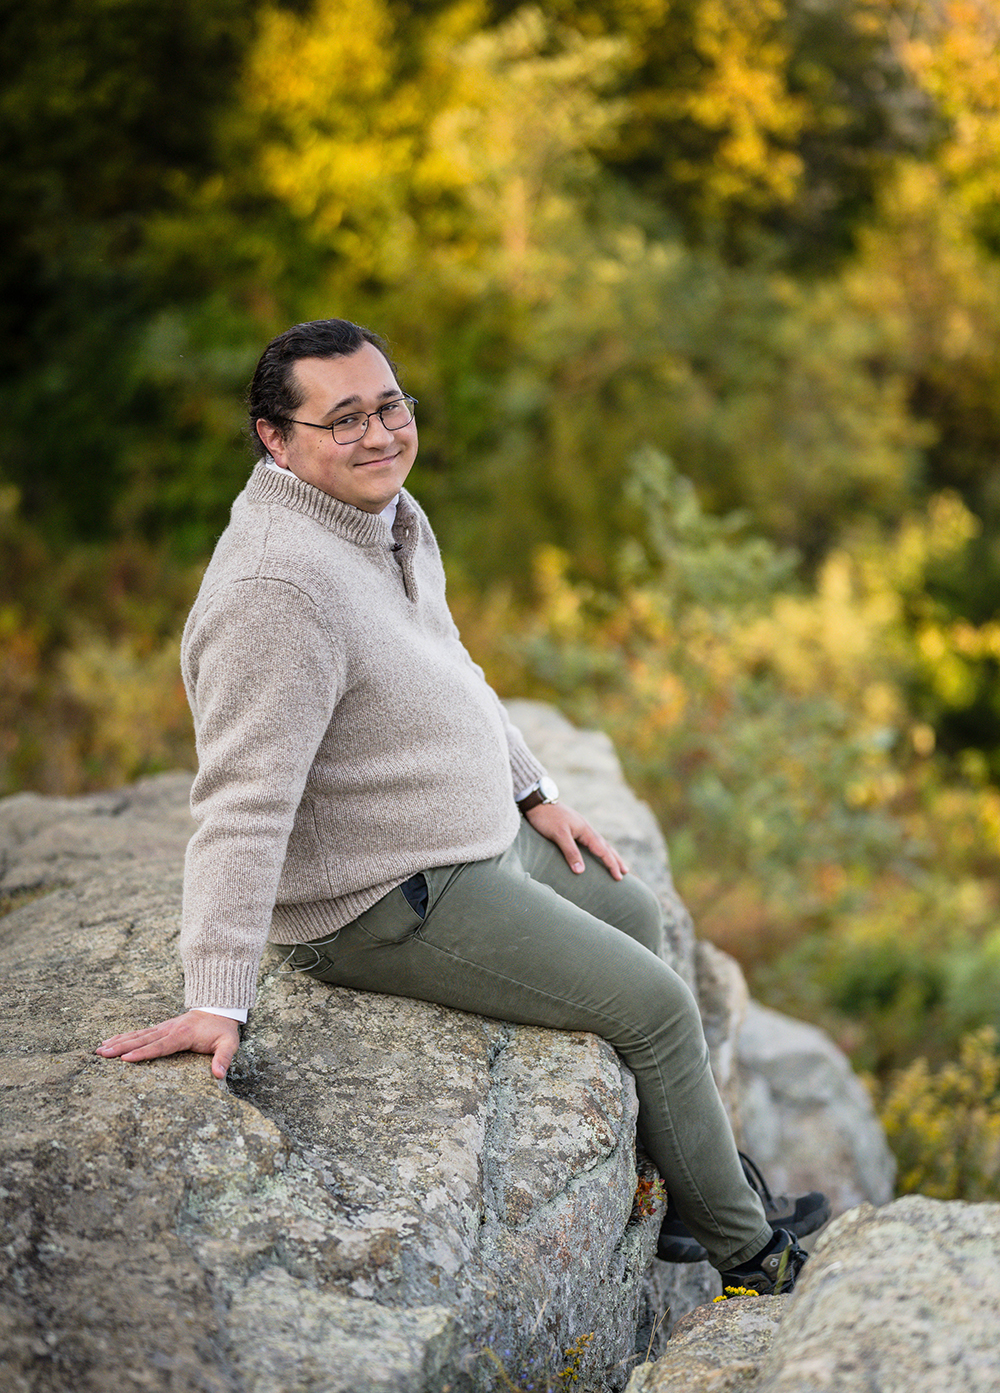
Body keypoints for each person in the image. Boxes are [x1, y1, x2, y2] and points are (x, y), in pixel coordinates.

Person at [97, 318, 824, 1295]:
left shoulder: (385, 512)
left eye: (389, 405)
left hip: (466, 834)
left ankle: (701, 1194)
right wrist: (216, 993)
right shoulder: (276, 584)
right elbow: (241, 796)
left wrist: (532, 789)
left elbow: (448, 665)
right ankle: (752, 1254)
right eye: (342, 417)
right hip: (385, 897)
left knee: (634, 910)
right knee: (650, 1006)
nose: (379, 432)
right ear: (277, 437)